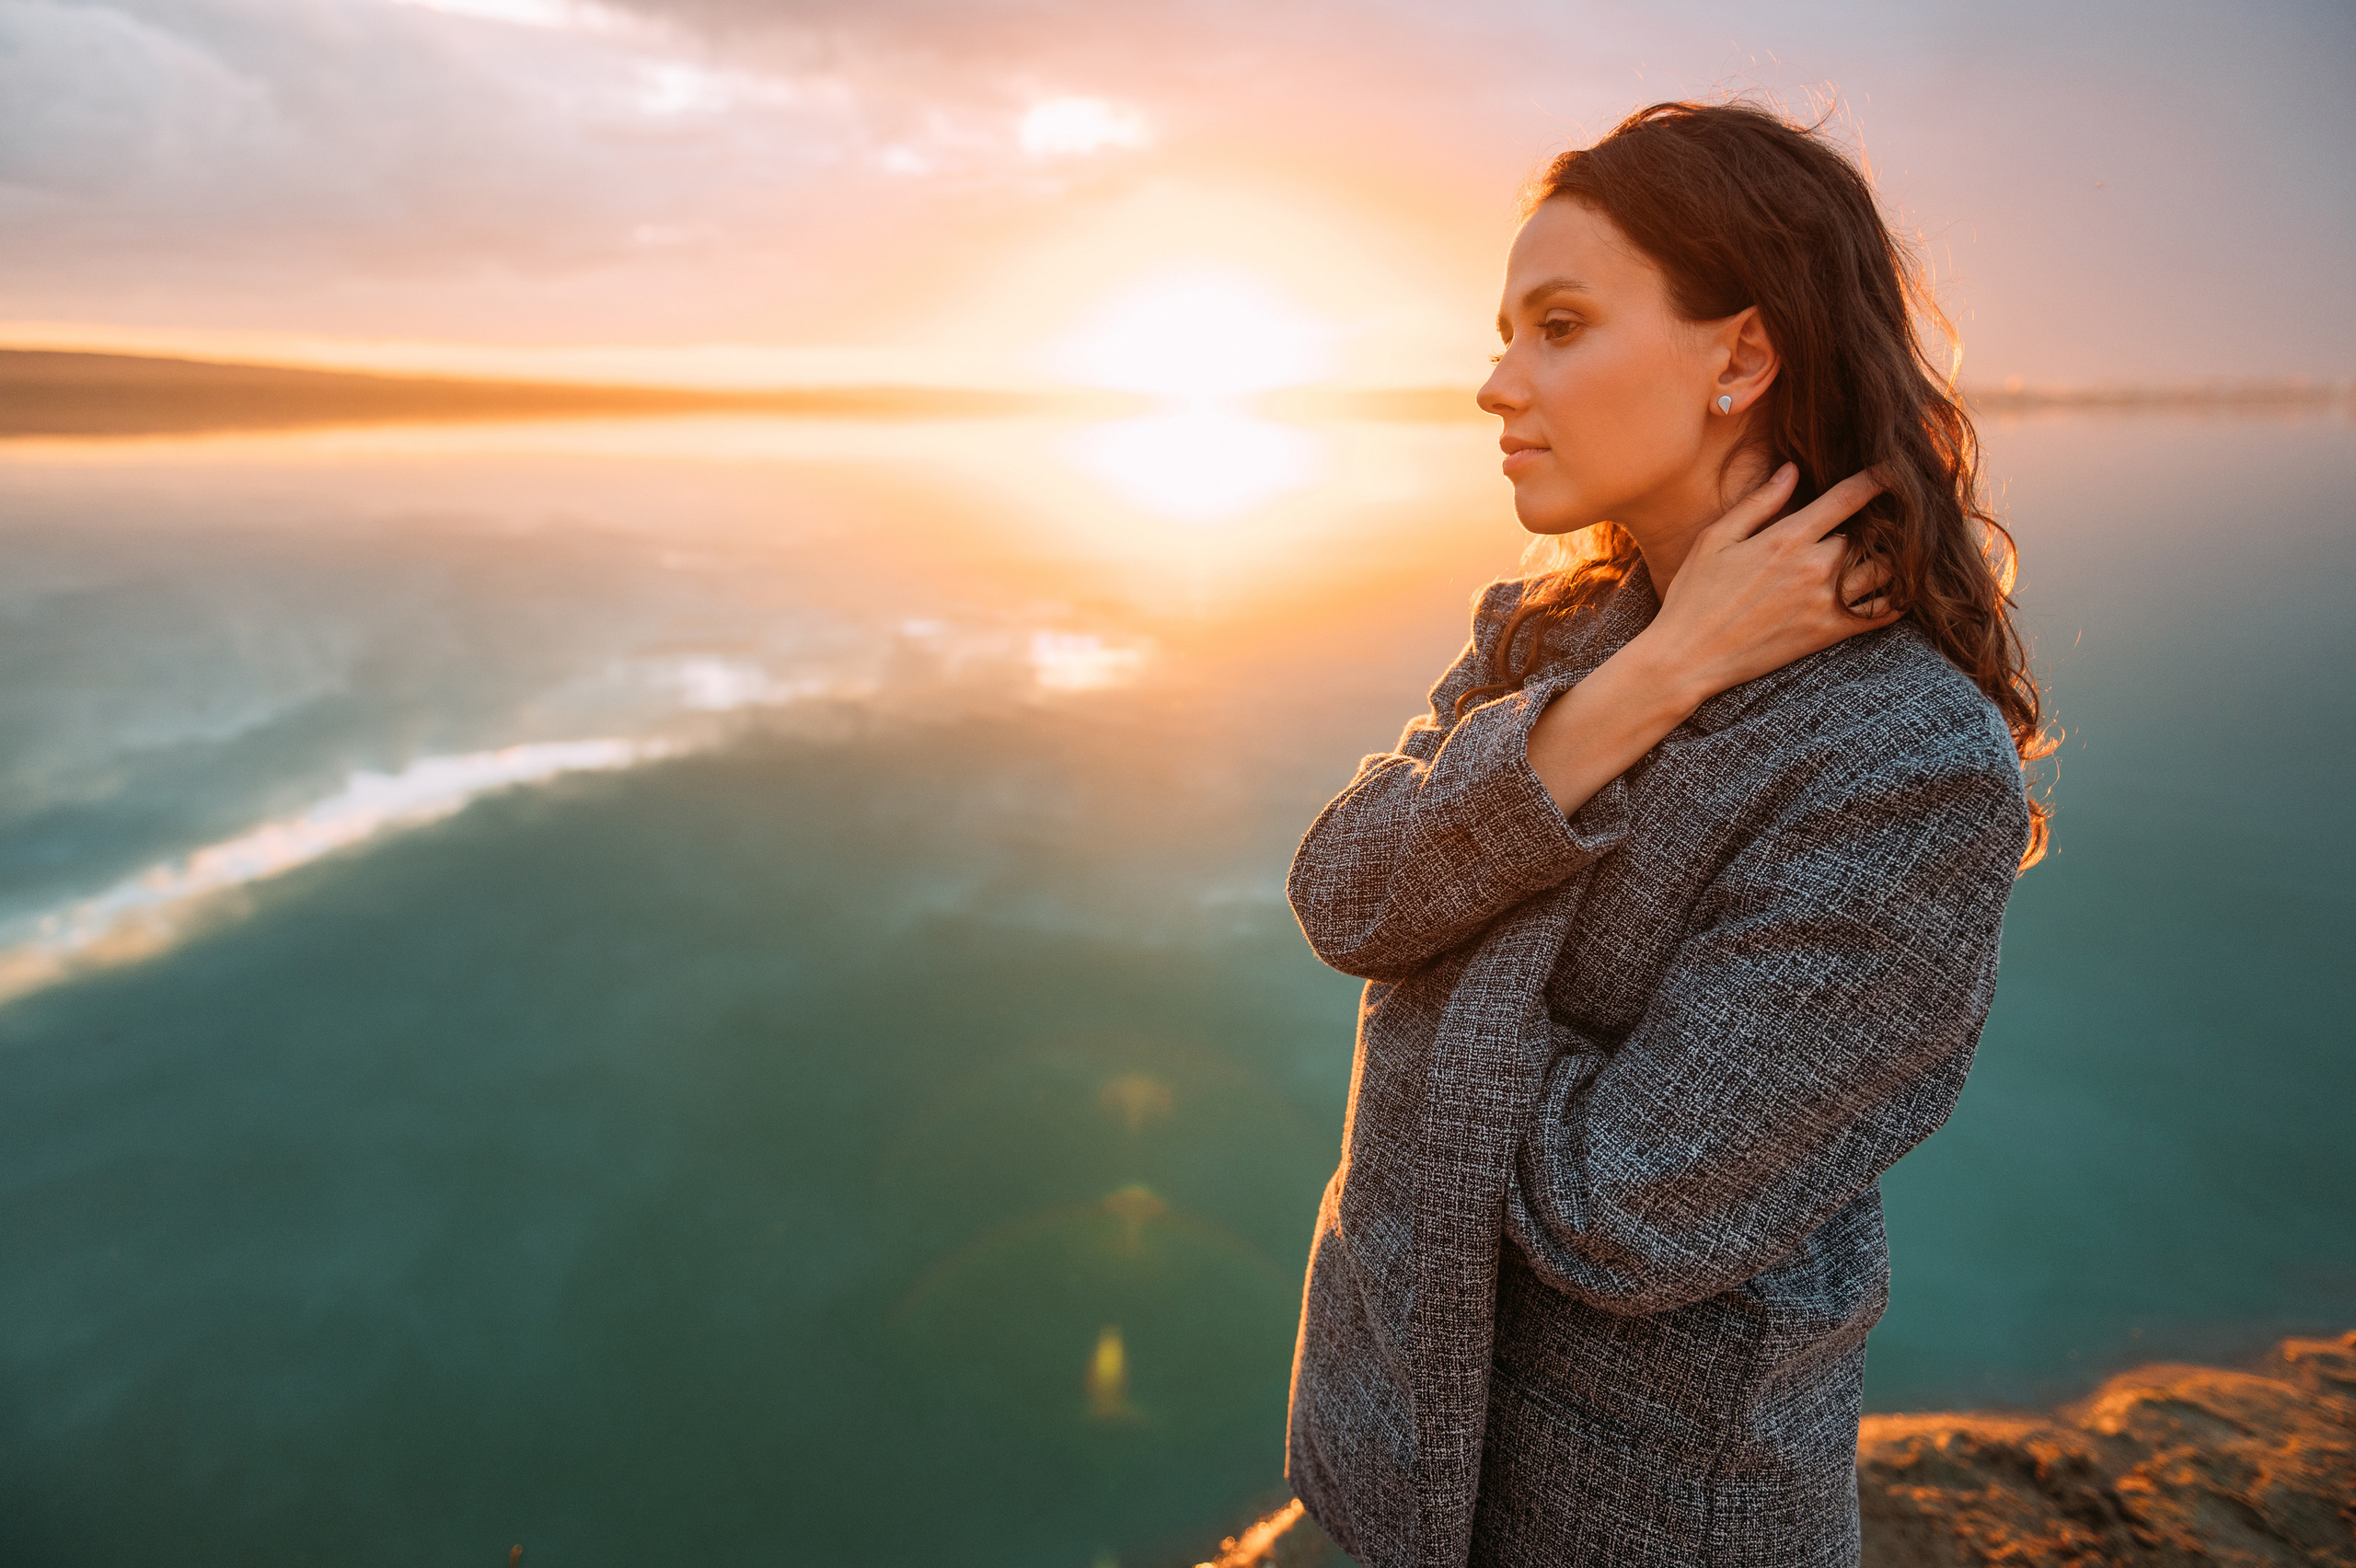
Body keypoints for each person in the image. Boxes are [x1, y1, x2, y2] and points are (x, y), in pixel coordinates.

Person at [1280, 100, 2050, 1568]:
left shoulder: (1908, 759)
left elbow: (1623, 1208)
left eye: (1559, 327)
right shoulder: (1563, 629)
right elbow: (1341, 896)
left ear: (1742, 358)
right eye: (1505, 331)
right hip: (1376, 1449)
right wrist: (1653, 679)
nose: (1497, 383)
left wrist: (1425, 1002)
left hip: (1640, 1517)